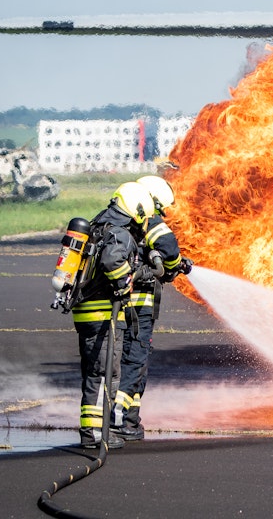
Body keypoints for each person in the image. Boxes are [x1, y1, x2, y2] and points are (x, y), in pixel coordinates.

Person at [72, 181, 155, 450]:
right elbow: (111, 261)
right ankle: (94, 433)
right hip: (102, 312)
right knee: (104, 372)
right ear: (137, 211)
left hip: (89, 312)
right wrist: (124, 282)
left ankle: (96, 430)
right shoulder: (120, 233)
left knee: (97, 371)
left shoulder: (102, 225)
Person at [111, 175, 192, 442]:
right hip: (138, 305)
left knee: (130, 361)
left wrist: (175, 266)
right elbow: (169, 250)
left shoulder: (123, 220)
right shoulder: (151, 220)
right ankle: (120, 417)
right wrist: (174, 266)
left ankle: (131, 421)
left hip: (118, 304)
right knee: (135, 360)